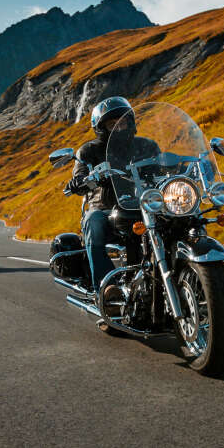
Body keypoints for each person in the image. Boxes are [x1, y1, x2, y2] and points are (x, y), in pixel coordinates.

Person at [65, 97, 159, 303]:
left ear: (131, 122)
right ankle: (107, 289)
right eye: (111, 123)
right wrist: (80, 181)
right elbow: (80, 173)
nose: (118, 126)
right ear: (101, 128)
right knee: (93, 222)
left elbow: (162, 166)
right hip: (106, 208)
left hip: (145, 205)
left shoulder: (147, 146)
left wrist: (184, 167)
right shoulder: (89, 150)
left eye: (123, 121)